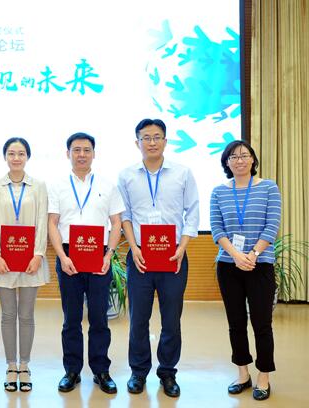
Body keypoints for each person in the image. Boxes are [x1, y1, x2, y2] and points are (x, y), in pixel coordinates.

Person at [117, 118, 199, 398]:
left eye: (156, 137)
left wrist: (182, 247)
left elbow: (192, 211)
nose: (151, 142)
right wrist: (133, 247)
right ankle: (138, 372)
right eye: (146, 137)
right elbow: (125, 215)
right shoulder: (127, 175)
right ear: (137, 142)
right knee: (138, 319)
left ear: (165, 140)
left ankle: (167, 372)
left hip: (174, 255)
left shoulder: (182, 173)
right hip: (140, 255)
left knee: (171, 319)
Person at [47, 132, 125, 394]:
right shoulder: (57, 185)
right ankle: (72, 370)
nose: (81, 154)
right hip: (68, 254)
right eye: (76, 150)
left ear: (94, 153)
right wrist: (62, 256)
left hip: (98, 255)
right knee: (71, 319)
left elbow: (116, 223)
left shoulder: (108, 185)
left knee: (99, 318)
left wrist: (108, 255)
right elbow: (52, 223)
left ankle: (101, 370)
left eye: (86, 150)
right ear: (67, 153)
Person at [210, 140, 281, 401]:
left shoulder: (269, 187)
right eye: (233, 156)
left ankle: (264, 376)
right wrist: (237, 255)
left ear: (253, 159)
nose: (239, 160)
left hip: (260, 264)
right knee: (236, 323)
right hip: (229, 266)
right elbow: (217, 229)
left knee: (262, 323)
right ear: (226, 163)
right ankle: (242, 374)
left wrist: (253, 254)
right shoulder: (218, 192)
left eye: (244, 155)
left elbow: (272, 225)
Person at [0, 137, 49, 392]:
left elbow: (42, 221)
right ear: (5, 157)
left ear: (27, 157)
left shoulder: (39, 186)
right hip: (3, 260)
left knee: (27, 315)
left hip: (31, 259)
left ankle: (25, 365)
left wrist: (38, 254)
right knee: (8, 314)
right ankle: (11, 366)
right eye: (11, 153)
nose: (16, 158)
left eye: (21, 153)